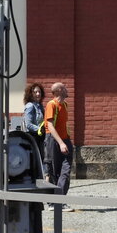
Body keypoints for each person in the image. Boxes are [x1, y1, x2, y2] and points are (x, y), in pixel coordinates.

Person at [43, 82, 73, 210]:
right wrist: (60, 143)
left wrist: (66, 141)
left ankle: (59, 200)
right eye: (65, 87)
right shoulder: (52, 105)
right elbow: (50, 126)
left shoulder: (65, 105)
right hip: (53, 141)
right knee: (54, 172)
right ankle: (54, 202)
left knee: (65, 171)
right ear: (60, 90)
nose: (67, 89)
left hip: (65, 140)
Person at [22, 82, 46, 148]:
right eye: (35, 92)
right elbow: (28, 124)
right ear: (30, 94)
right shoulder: (30, 106)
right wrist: (39, 129)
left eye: (39, 92)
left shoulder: (40, 106)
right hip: (32, 138)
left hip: (39, 137)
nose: (38, 94)